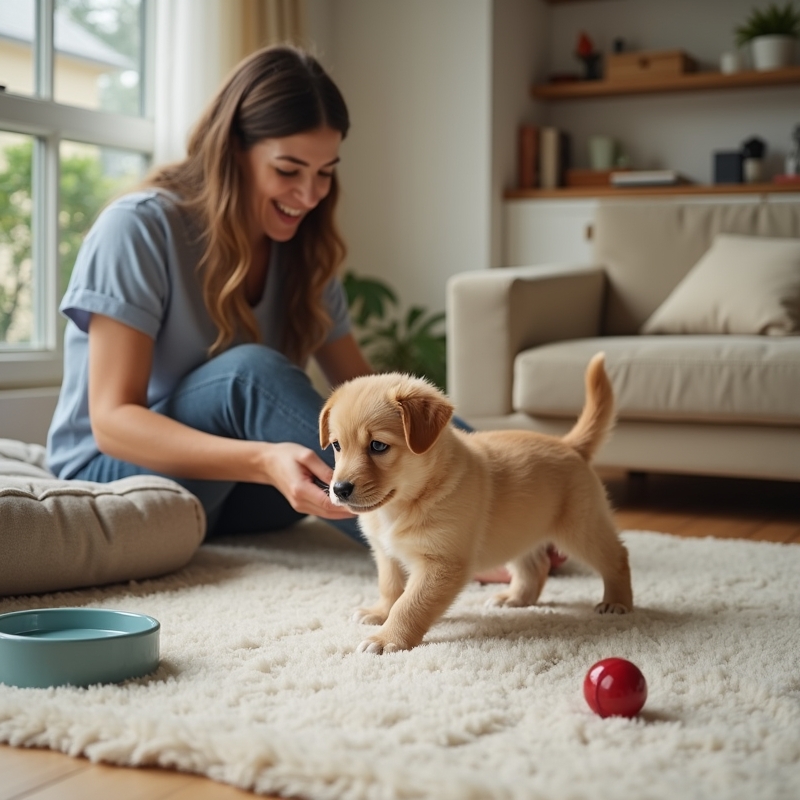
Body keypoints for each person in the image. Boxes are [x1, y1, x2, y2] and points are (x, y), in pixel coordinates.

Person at [47, 45, 371, 544]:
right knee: (248, 376)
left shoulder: (305, 249)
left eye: (324, 173)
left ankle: (521, 513)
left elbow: (367, 393)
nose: (309, 195)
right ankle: (452, 540)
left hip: (242, 491)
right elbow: (112, 422)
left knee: (397, 411)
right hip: (116, 478)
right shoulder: (138, 228)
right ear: (231, 151)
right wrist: (264, 460)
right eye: (288, 171)